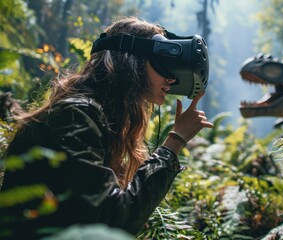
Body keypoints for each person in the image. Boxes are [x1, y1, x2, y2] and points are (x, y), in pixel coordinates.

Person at [0, 17, 213, 239]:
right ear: (133, 61)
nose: (172, 78)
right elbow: (112, 221)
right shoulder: (75, 117)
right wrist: (174, 142)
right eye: (162, 61)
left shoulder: (95, 116)